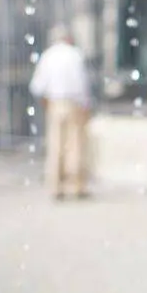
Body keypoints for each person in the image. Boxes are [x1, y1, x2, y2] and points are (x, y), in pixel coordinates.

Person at [29, 25, 92, 200]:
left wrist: (46, 102)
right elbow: (82, 83)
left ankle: (55, 186)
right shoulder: (75, 55)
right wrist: (86, 104)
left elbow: (37, 86)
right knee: (75, 145)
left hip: (55, 102)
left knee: (55, 145)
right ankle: (75, 186)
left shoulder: (48, 56)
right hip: (74, 103)